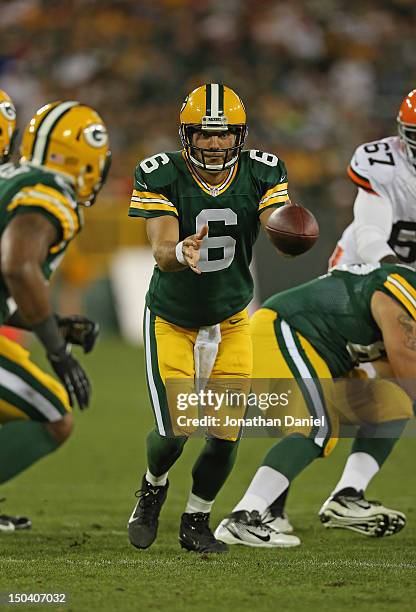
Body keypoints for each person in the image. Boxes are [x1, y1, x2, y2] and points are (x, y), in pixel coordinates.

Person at [127, 83, 294, 553]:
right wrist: (182, 249)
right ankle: (153, 484)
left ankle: (196, 519)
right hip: (172, 317)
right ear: (187, 134)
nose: (215, 144)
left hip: (232, 317)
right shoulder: (161, 173)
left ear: (240, 136)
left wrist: (289, 231)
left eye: (225, 135)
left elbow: (276, 219)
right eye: (205, 134)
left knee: (225, 434)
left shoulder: (263, 171)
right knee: (174, 433)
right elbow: (161, 250)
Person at [215, 262, 414, 547]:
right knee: (315, 427)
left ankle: (348, 497)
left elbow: (394, 379)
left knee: (392, 404)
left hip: (320, 355)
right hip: (282, 331)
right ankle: (243, 516)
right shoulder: (402, 288)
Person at [305, 88, 416, 534]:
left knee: (388, 397)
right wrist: (397, 274)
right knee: (385, 389)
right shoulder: (383, 163)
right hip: (363, 278)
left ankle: (346, 493)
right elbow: (371, 233)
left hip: (407, 289)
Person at [0, 99, 111, 532]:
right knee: (55, 416)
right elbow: (16, 265)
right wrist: (57, 351)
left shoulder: (8, 178)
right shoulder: (51, 192)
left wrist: (53, 323)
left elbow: (8, 286)